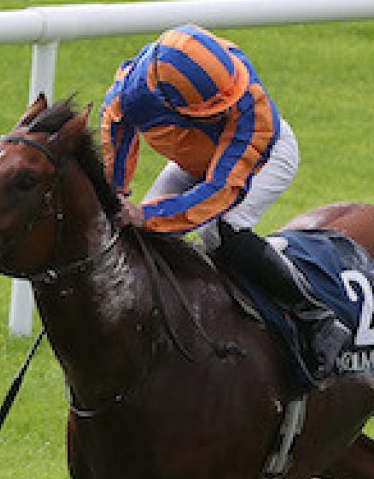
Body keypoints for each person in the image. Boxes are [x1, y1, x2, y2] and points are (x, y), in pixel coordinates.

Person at [100, 24, 350, 374]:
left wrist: (147, 214)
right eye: (215, 110)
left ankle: (317, 318)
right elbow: (117, 131)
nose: (227, 110)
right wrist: (114, 194)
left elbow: (219, 193)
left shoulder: (248, 101)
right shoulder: (132, 91)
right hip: (195, 158)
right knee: (143, 242)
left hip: (264, 157)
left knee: (222, 230)